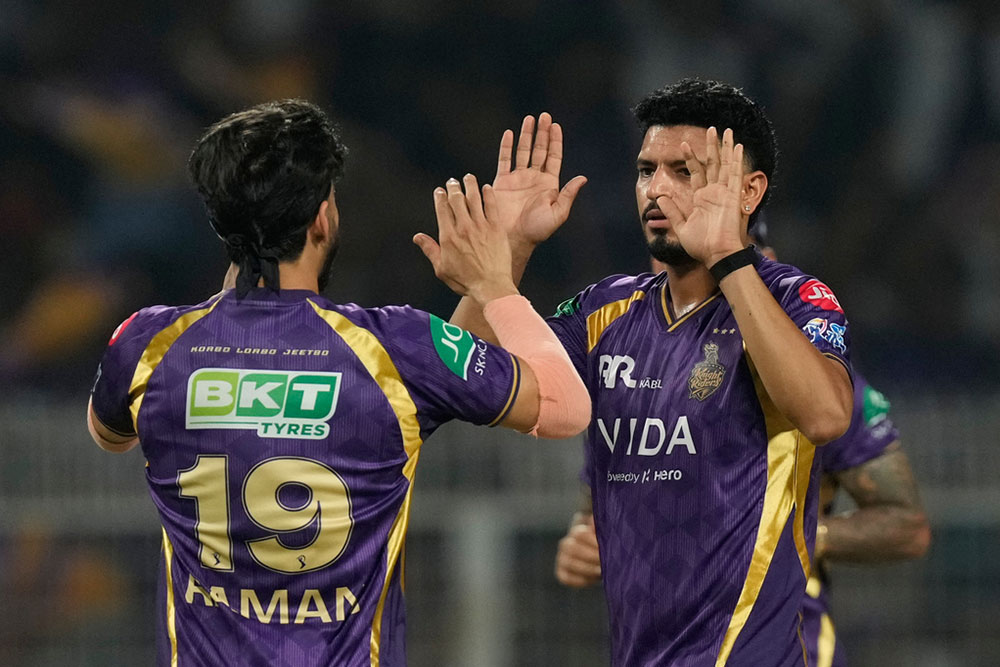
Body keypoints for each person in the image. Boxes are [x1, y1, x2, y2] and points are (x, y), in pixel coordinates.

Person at [86, 99, 591, 667]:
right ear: (322, 215)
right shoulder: (395, 349)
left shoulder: (147, 345)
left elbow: (110, 436)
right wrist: (496, 279)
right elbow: (563, 406)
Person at [449, 79, 855, 665]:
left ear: (749, 190)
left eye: (684, 172)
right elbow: (462, 380)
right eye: (646, 170)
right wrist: (508, 251)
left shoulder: (794, 298)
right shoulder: (604, 312)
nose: (656, 189)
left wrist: (729, 258)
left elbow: (825, 415)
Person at [555, 223, 931, 667]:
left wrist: (791, 536)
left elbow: (908, 526)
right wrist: (583, 538)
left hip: (782, 647)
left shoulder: (816, 387)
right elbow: (594, 508)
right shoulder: (627, 373)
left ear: (761, 260)